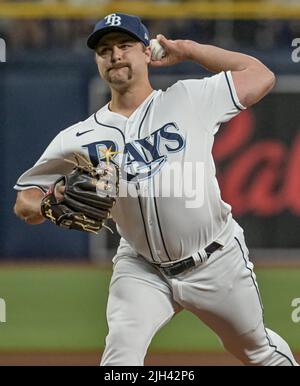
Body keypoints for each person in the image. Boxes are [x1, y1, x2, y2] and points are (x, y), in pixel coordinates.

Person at [14, 13, 298, 366]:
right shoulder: (77, 138)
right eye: (104, 49)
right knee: (120, 359)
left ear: (147, 52)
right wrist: (47, 204)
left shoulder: (190, 97)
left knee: (257, 351)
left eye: (124, 45)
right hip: (141, 267)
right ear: (97, 61)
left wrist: (190, 49)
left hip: (215, 259)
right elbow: (24, 200)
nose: (115, 55)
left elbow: (261, 76)